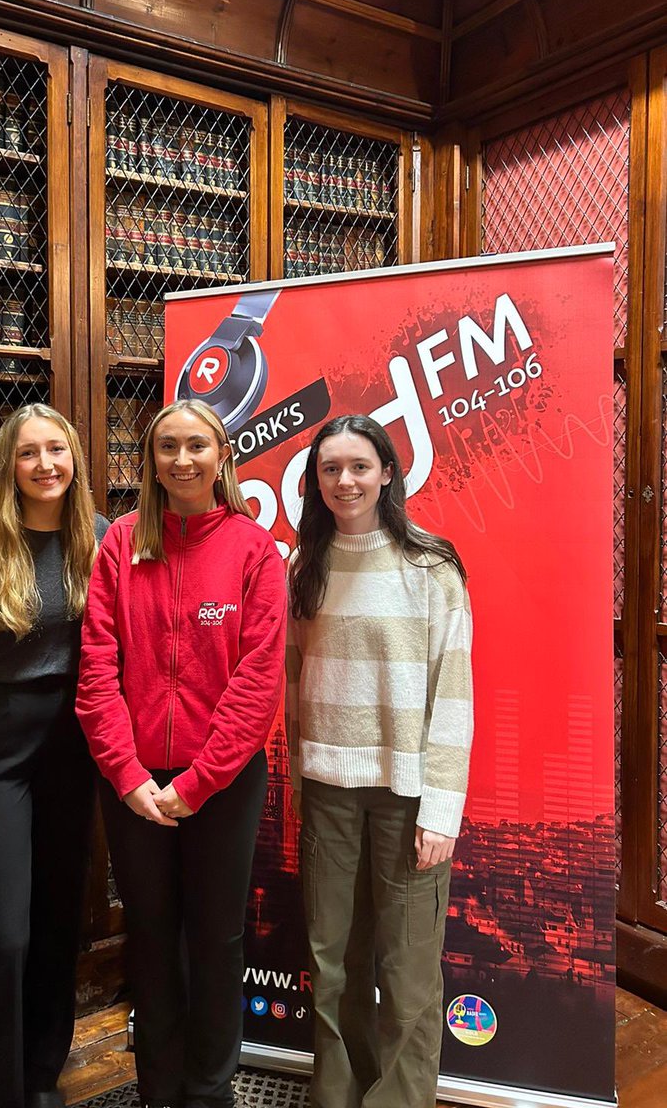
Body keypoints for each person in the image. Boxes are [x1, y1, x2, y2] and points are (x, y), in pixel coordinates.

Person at [75, 399, 286, 1108]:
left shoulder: (255, 550)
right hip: (133, 785)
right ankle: (157, 1089)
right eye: (168, 447)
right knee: (153, 939)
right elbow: (97, 670)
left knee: (218, 941)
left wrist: (197, 783)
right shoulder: (122, 544)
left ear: (223, 456)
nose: (183, 459)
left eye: (198, 445)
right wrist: (129, 776)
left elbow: (258, 682)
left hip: (222, 783)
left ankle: (209, 1091)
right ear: (152, 461)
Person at [285, 414, 473, 1108]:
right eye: (330, 469)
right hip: (327, 793)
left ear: (389, 472)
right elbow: (294, 683)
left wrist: (442, 810)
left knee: (409, 973)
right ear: (316, 481)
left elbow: (453, 693)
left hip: (408, 796)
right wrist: (300, 787)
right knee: (331, 964)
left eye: (359, 466)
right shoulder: (302, 566)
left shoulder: (431, 566)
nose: (345, 481)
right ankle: (338, 1096)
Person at [0, 403, 109, 1108]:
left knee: (61, 924)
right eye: (29, 453)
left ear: (74, 460)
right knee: (5, 933)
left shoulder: (98, 538)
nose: (45, 465)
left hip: (73, 754)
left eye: (56, 450)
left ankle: (41, 1081)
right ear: (9, 465)